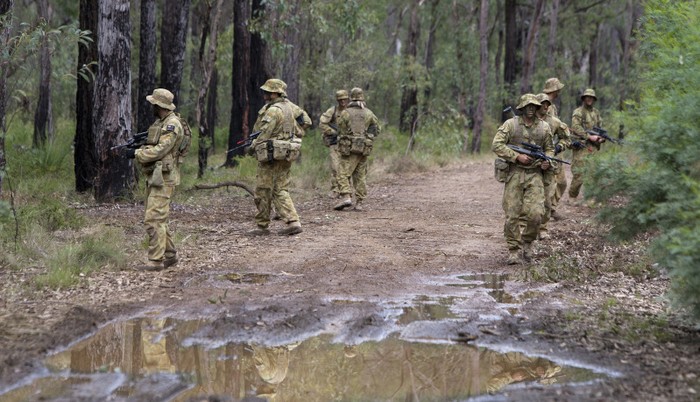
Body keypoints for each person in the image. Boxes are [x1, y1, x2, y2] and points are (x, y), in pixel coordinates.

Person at [123, 88, 187, 271]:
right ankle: (170, 255)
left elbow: (161, 150)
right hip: (157, 176)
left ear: (159, 105)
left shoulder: (172, 124)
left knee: (153, 219)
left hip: (164, 178)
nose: (151, 106)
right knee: (158, 218)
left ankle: (156, 261)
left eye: (153, 104)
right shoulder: (162, 122)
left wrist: (137, 153)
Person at [492, 94, 554, 265]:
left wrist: (547, 161)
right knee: (512, 214)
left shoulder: (544, 127)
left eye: (534, 105)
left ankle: (527, 242)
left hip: (535, 174)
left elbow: (549, 149)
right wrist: (516, 157)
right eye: (528, 105)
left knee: (536, 214)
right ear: (522, 107)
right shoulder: (511, 125)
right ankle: (513, 250)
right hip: (514, 173)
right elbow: (496, 145)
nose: (531, 108)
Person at [248, 78, 311, 236]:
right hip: (286, 153)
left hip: (271, 155)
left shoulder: (273, 110)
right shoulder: (291, 107)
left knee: (263, 189)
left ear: (275, 93)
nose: (265, 94)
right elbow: (307, 121)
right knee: (281, 188)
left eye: (268, 92)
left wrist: (253, 146)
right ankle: (293, 221)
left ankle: (262, 226)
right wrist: (292, 134)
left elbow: (264, 133)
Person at [333, 87, 380, 211]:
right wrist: (366, 137)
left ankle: (346, 197)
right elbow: (376, 129)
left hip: (348, 150)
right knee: (360, 176)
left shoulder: (345, 112)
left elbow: (340, 127)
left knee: (342, 172)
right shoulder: (369, 113)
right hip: (364, 149)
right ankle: (360, 203)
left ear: (351, 98)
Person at [535, 93, 572, 239]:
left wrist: (558, 148)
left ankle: (543, 228)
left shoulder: (554, 122)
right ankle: (526, 228)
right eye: (542, 103)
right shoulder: (527, 121)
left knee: (548, 198)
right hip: (530, 165)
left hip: (549, 164)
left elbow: (567, 138)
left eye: (547, 104)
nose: (545, 106)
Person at [568, 88, 604, 201]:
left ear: (594, 99)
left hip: (593, 147)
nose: (589, 99)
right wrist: (589, 137)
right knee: (579, 174)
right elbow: (575, 128)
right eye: (587, 97)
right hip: (581, 146)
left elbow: (600, 128)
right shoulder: (578, 112)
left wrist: (601, 138)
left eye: (591, 97)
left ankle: (590, 198)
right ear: (584, 98)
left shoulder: (596, 113)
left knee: (593, 173)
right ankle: (572, 196)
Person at [318, 90, 350, 198]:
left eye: (344, 99)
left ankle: (345, 190)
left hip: (349, 144)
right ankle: (335, 189)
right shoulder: (333, 110)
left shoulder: (352, 111)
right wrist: (333, 132)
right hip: (335, 143)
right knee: (335, 166)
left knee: (347, 167)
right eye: (340, 100)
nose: (343, 102)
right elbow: (322, 123)